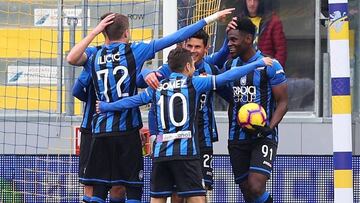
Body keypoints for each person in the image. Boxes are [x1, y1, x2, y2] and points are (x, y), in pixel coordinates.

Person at [66, 9, 234, 203]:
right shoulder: (135, 50)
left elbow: (71, 59)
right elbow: (177, 36)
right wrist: (211, 18)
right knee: (132, 188)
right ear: (127, 33)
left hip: (100, 130)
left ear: (104, 33)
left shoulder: (94, 54)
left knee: (97, 190)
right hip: (128, 130)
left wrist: (95, 32)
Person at [96, 47, 273, 203]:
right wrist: (256, 64)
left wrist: (107, 106)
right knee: (197, 197)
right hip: (186, 153)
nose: (194, 68)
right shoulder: (194, 83)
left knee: (157, 198)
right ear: (188, 66)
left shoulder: (157, 87)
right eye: (193, 65)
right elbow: (226, 77)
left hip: (161, 153)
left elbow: (132, 101)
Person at [137, 29, 229, 202]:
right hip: (176, 140)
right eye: (189, 46)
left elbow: (227, 86)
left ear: (206, 49)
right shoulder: (171, 69)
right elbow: (142, 83)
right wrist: (146, 73)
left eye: (197, 47)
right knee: (177, 194)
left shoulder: (210, 68)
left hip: (203, 138)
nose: (193, 50)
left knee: (202, 191)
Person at [224, 17, 288, 203]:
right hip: (236, 137)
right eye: (229, 40)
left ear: (248, 39)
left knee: (256, 185)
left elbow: (283, 102)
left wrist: (269, 126)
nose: (230, 44)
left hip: (263, 136)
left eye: (234, 40)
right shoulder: (229, 66)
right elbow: (228, 96)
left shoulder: (270, 65)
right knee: (248, 191)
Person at [73, 69, 126, 203]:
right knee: (95, 183)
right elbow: (76, 90)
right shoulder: (97, 61)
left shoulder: (123, 62)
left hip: (114, 129)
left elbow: (77, 90)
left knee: (115, 183)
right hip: (97, 130)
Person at [235, 0, 287, 67]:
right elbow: (231, 49)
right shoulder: (238, 20)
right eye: (249, 0)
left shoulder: (273, 21)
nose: (252, 4)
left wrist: (275, 71)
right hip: (242, 68)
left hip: (265, 68)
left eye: (255, 0)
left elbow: (281, 50)